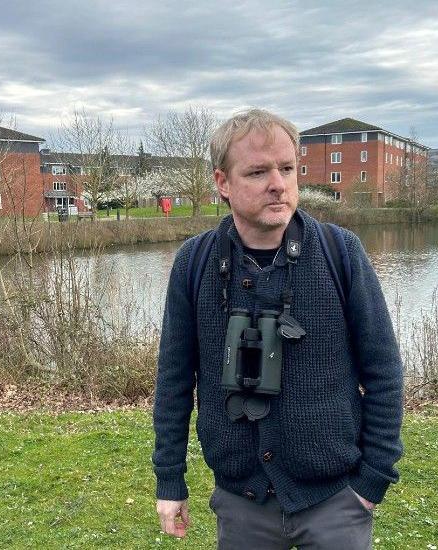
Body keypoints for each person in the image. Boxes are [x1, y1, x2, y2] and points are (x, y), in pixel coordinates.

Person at [152, 109, 404, 549]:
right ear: (222, 183)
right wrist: (169, 479)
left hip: (335, 502)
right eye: (257, 171)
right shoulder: (194, 264)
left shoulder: (340, 254)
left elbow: (384, 372)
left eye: (287, 168)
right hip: (240, 501)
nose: (279, 183)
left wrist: (371, 483)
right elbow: (173, 381)